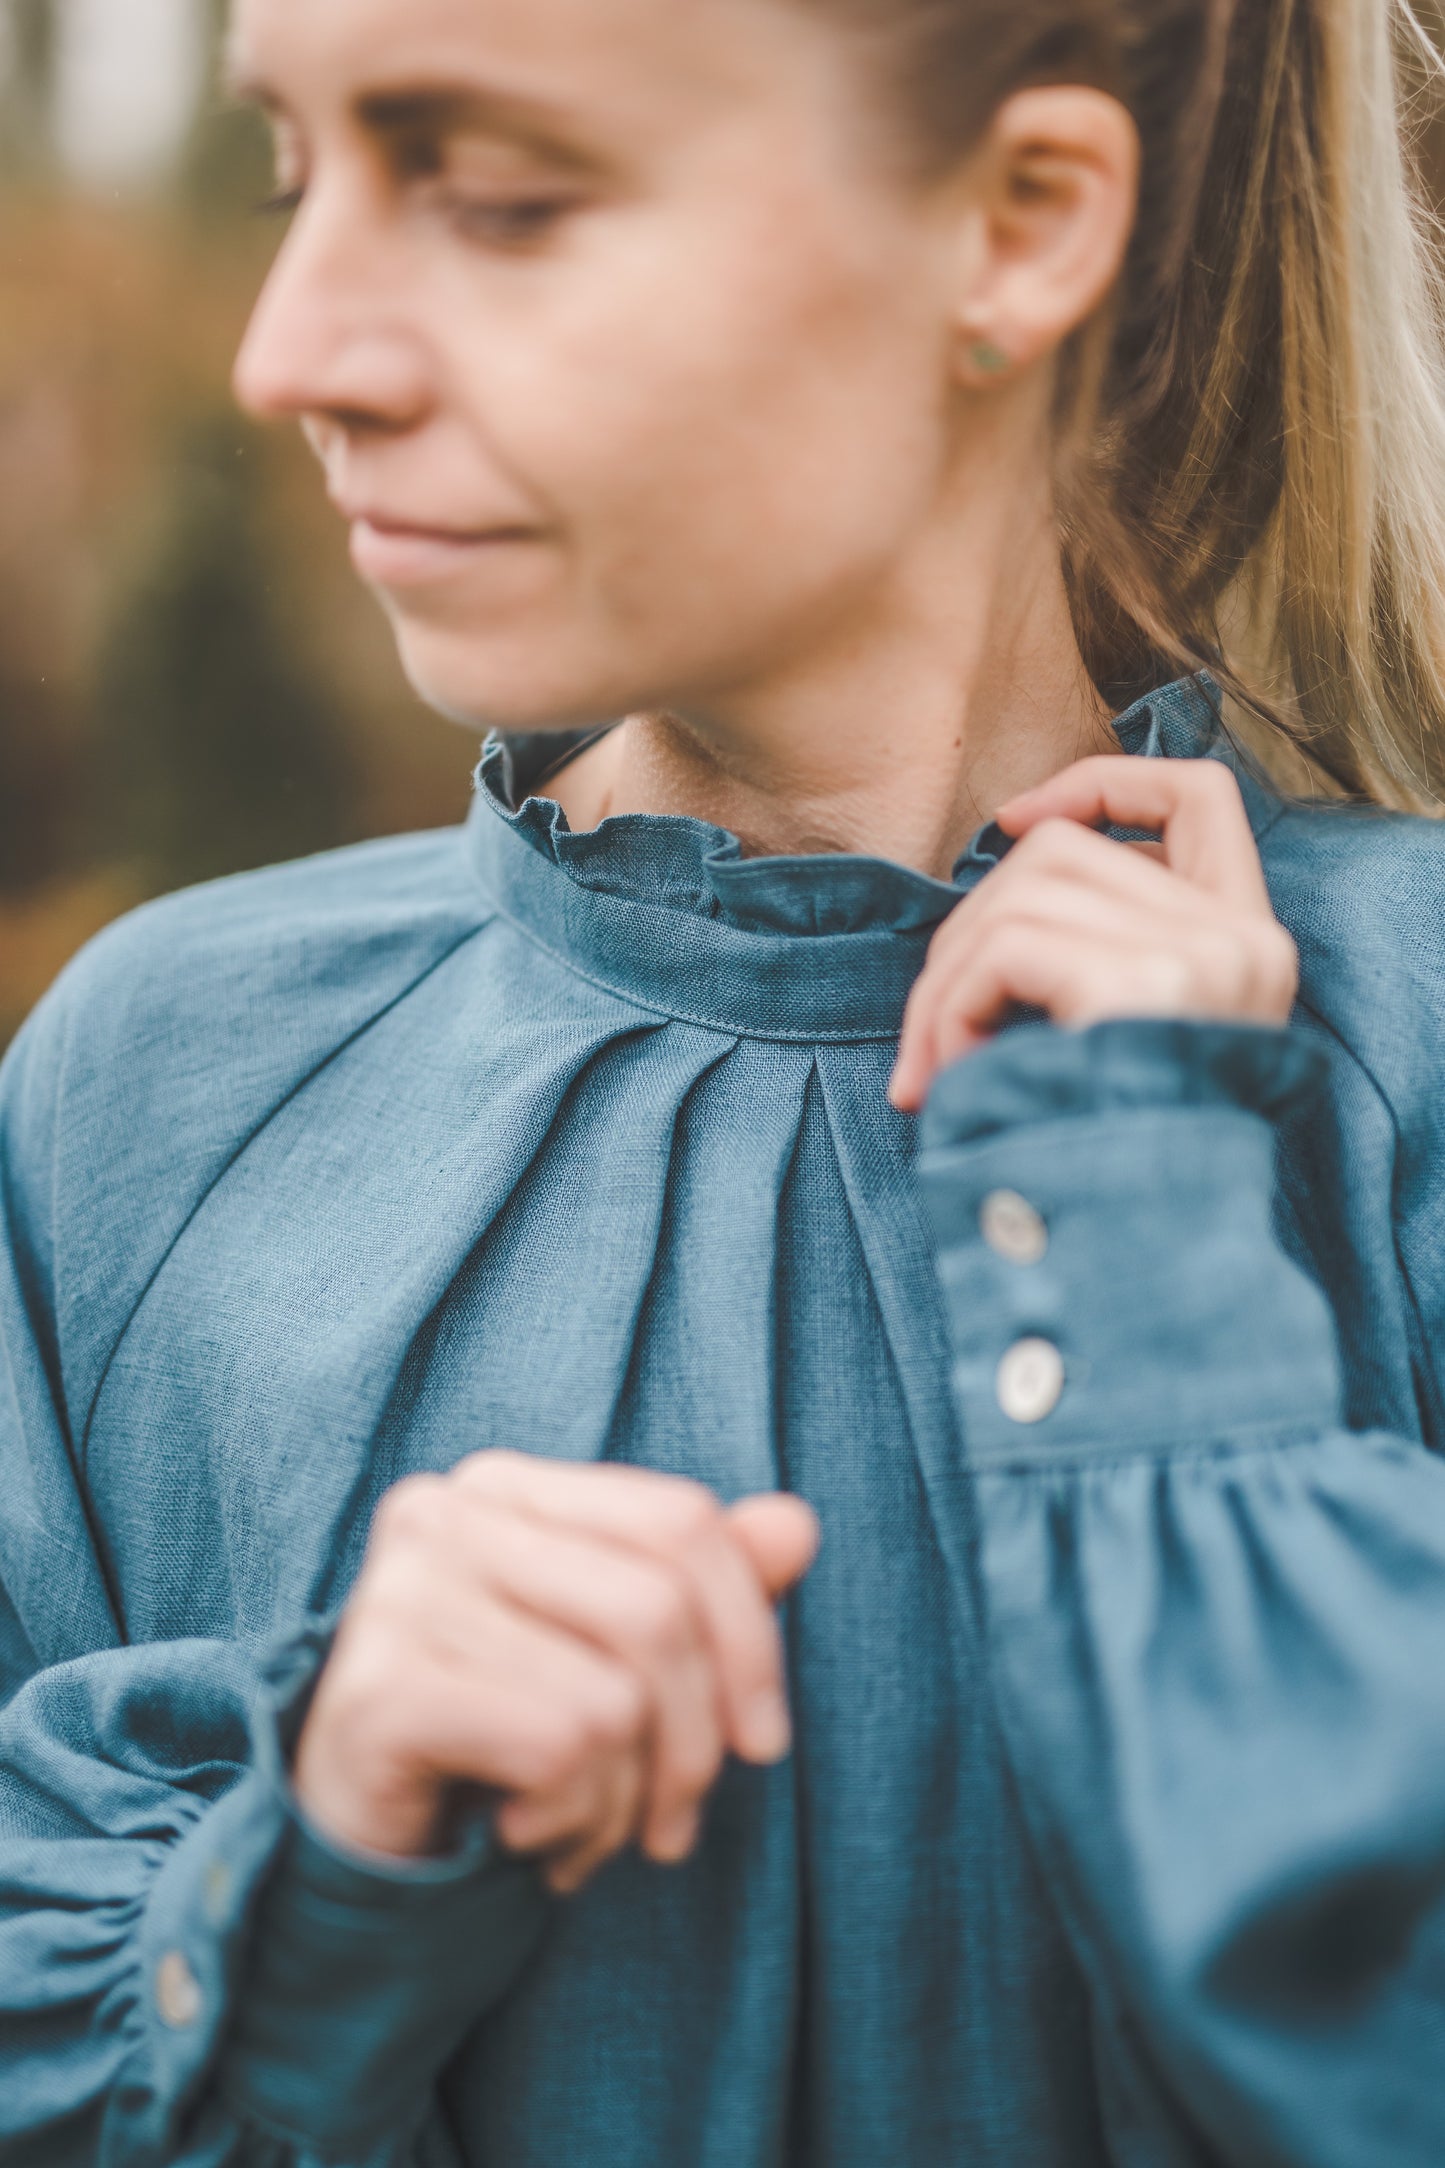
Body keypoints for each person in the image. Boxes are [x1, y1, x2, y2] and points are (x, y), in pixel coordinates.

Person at [6, 0, 1445, 2158]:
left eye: (496, 196)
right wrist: (291, 1893)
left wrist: (1163, 1326)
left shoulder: (1404, 1052)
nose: (292, 351)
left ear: (1025, 220)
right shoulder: (146, 1092)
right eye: (299, 179)